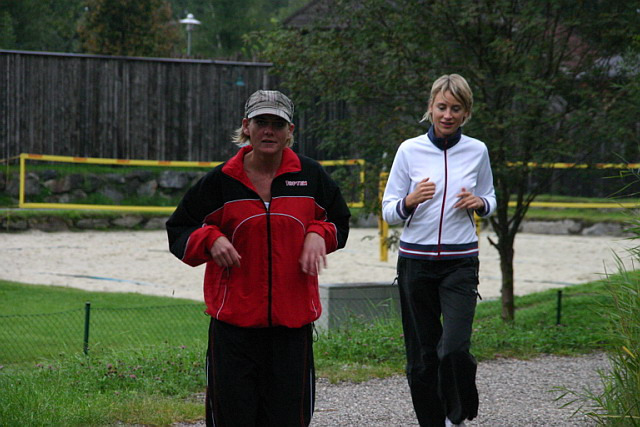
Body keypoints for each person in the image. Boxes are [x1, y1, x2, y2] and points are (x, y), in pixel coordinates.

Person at [166, 90, 350, 426]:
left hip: (292, 326)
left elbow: (339, 222)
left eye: (277, 124)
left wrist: (317, 234)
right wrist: (211, 238)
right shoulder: (221, 181)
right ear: (246, 127)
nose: (268, 130)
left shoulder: (310, 176)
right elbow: (179, 230)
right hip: (234, 328)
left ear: (289, 130)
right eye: (261, 122)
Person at [382, 74, 496, 427]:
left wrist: (480, 203)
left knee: (455, 348)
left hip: (460, 263)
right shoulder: (409, 150)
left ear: (466, 113)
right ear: (430, 108)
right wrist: (409, 201)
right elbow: (388, 210)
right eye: (442, 107)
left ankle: (456, 413)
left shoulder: (477, 151)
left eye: (456, 108)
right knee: (422, 356)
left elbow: (490, 197)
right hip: (415, 263)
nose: (448, 115)